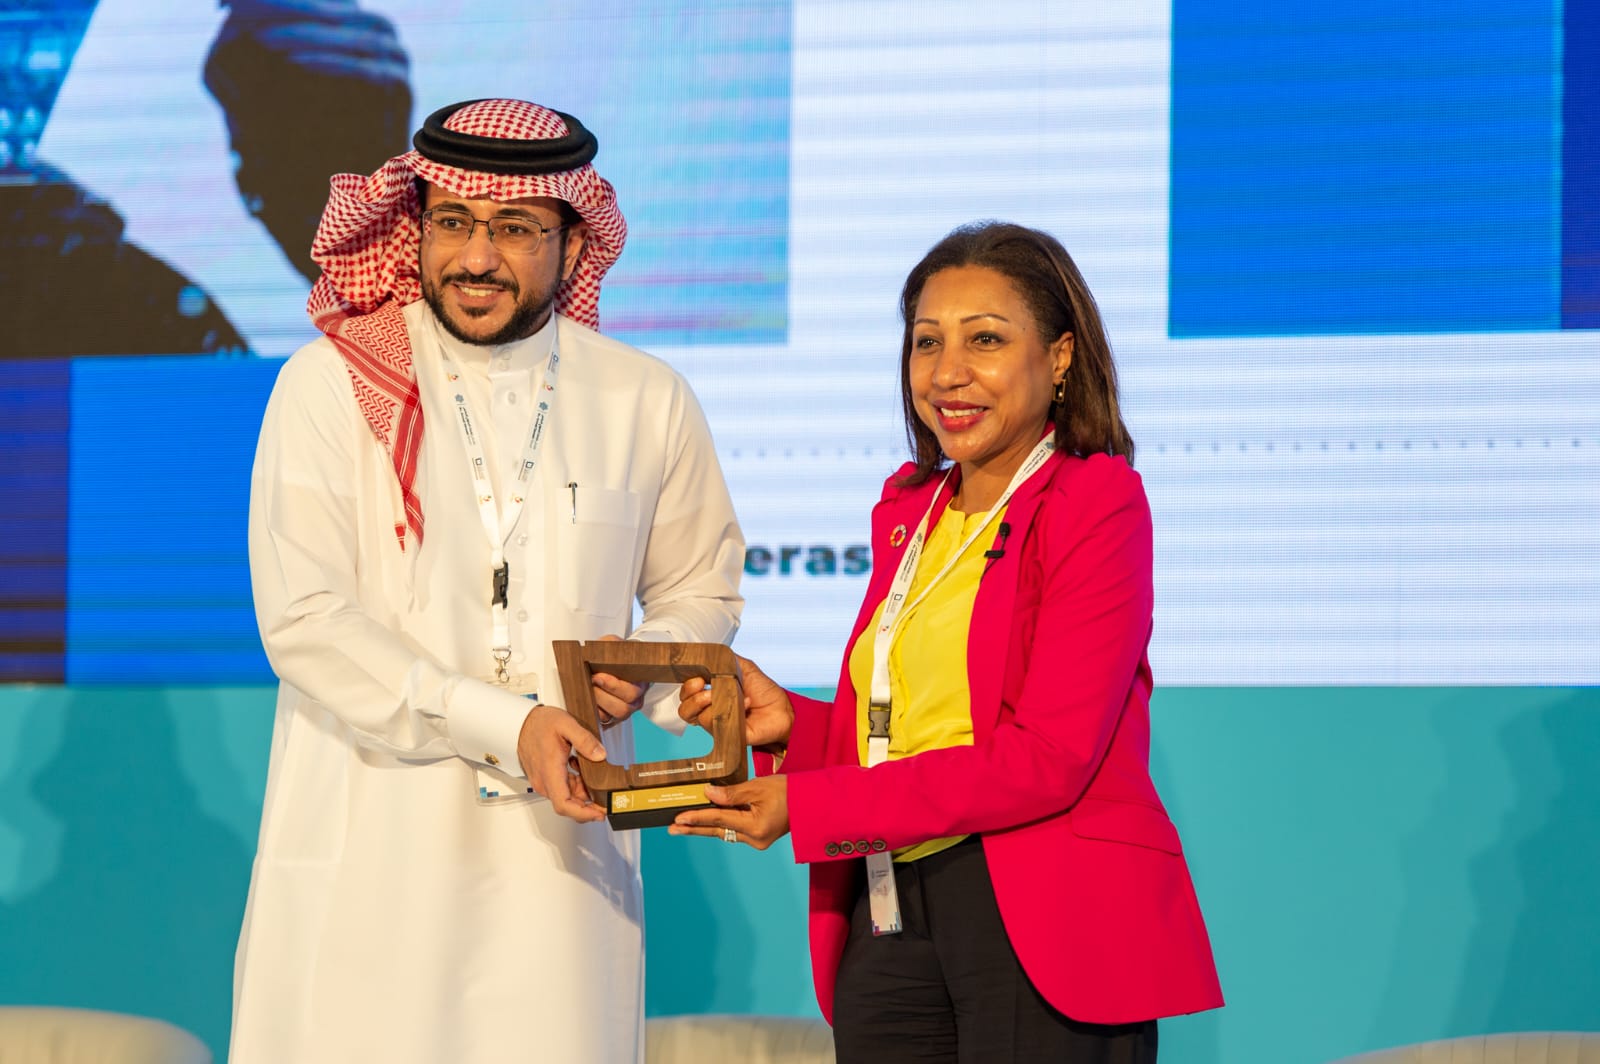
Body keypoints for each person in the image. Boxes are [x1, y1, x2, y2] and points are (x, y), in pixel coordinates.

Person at [235, 98, 744, 1064]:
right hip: (370, 853)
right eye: (452, 223)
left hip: (562, 878)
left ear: (572, 240)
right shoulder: (328, 385)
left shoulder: (644, 398)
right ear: (415, 227)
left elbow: (699, 589)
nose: (476, 257)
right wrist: (503, 722)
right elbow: (305, 618)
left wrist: (643, 663)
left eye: (514, 228)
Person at [673, 222, 1223, 1062]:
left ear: (1061, 357)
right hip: (889, 911)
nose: (947, 372)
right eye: (926, 342)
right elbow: (913, 735)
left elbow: (1046, 757)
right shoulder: (912, 513)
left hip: (1039, 919)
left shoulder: (1096, 503)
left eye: (986, 340)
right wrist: (796, 728)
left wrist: (812, 808)